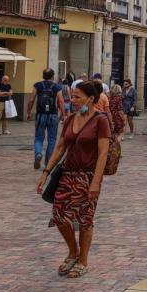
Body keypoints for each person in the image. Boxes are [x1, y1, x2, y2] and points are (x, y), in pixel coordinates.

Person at [36, 81, 111, 279]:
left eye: (77, 97)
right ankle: (73, 251)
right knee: (59, 215)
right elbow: (60, 147)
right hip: (67, 174)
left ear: (91, 99)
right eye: (73, 96)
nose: (73, 100)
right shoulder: (70, 119)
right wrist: (46, 171)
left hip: (88, 176)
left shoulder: (101, 120)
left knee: (85, 218)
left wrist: (96, 182)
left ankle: (83, 260)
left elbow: (103, 153)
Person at [26, 68, 66, 170]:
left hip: (40, 115)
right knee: (52, 139)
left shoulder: (37, 85)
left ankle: (38, 154)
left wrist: (28, 112)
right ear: (53, 76)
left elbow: (31, 100)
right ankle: (48, 162)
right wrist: (64, 114)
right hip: (53, 115)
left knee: (38, 138)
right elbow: (61, 101)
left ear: (43, 75)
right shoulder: (56, 86)